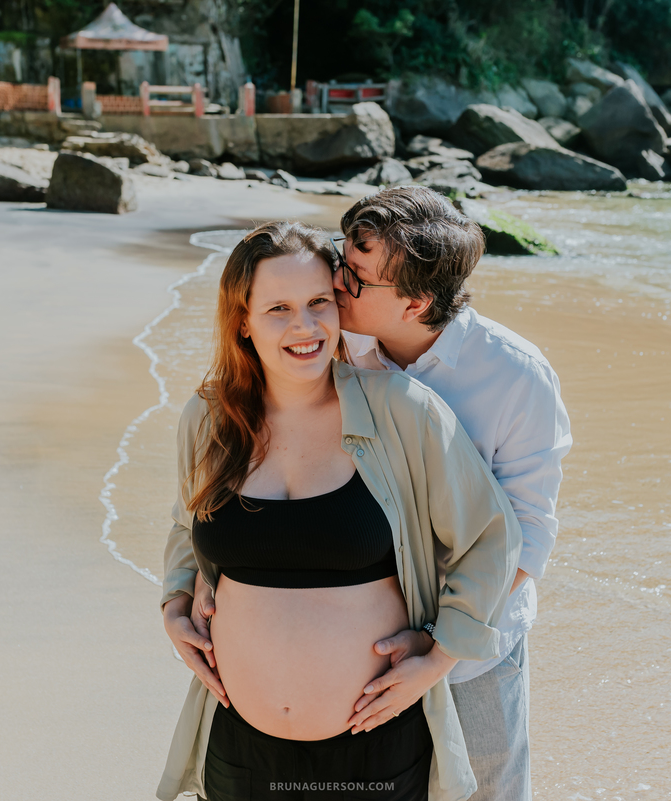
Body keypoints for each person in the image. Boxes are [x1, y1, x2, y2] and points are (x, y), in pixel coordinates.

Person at [192, 187, 572, 801]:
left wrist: (440, 649)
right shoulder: (341, 341)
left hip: (473, 641)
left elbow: (524, 534)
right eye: (342, 260)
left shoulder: (514, 376)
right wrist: (198, 580)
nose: (335, 284)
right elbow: (239, 461)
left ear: (415, 303)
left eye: (354, 278)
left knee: (486, 789)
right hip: (372, 640)